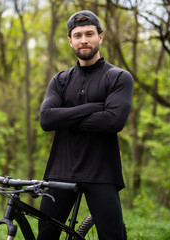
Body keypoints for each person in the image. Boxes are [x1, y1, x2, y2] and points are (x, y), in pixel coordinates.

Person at [38, 10, 133, 240]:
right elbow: (47, 119)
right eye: (78, 35)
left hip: (102, 172)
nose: (84, 40)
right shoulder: (60, 80)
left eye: (89, 34)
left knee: (113, 237)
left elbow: (113, 121)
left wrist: (66, 118)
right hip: (60, 171)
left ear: (100, 36)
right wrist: (92, 107)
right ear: (70, 41)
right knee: (45, 237)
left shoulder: (119, 77)